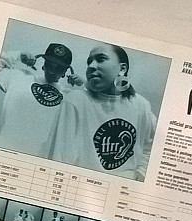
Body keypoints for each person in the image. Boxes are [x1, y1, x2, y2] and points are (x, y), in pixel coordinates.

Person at [55, 43, 157, 181]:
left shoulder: (141, 105)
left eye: (101, 59)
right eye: (89, 62)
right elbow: (61, 158)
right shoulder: (76, 100)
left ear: (122, 69)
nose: (91, 66)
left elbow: (152, 145)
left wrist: (141, 174)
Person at [0, 43, 74, 157]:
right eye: (49, 65)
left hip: (34, 161)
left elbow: (91, 110)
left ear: (65, 72)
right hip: (3, 152)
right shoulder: (20, 77)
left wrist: (84, 84)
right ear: (43, 64)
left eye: (58, 68)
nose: (52, 71)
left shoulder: (68, 97)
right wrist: (18, 55)